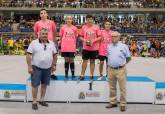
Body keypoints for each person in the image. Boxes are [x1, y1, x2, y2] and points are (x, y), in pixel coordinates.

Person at [26, 28, 57, 110]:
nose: (44, 35)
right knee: (35, 85)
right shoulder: (34, 43)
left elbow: (55, 55)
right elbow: (28, 55)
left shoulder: (51, 43)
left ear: (48, 35)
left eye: (46, 34)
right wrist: (29, 66)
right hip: (36, 68)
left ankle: (42, 100)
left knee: (44, 85)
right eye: (43, 34)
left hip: (48, 68)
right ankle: (34, 101)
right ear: (39, 34)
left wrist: (54, 65)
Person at [106, 31, 131, 112]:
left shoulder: (124, 46)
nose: (113, 38)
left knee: (122, 88)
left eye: (115, 36)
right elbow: (108, 57)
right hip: (110, 69)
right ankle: (113, 102)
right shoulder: (109, 46)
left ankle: (123, 104)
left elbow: (128, 58)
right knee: (112, 87)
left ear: (119, 37)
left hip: (121, 69)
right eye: (112, 36)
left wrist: (122, 64)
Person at [34, 8, 57, 79]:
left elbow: (54, 32)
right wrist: (36, 42)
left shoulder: (51, 22)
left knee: (52, 58)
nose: (43, 14)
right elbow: (35, 33)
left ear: (47, 14)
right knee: (41, 58)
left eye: (44, 13)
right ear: (40, 15)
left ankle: (52, 73)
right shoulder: (37, 23)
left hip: (50, 43)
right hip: (40, 43)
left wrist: (54, 41)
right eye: (41, 13)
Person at [79, 15, 101, 81]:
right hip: (86, 48)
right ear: (86, 20)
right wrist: (85, 40)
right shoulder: (84, 27)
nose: (89, 20)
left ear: (93, 20)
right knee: (84, 61)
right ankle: (82, 75)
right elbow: (80, 36)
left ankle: (91, 75)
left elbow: (100, 37)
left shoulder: (96, 27)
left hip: (94, 48)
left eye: (91, 19)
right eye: (88, 19)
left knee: (92, 61)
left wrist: (93, 41)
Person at [59, 16, 78, 80]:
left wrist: (75, 47)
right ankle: (66, 74)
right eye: (68, 19)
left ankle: (73, 74)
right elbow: (61, 37)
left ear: (72, 20)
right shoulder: (63, 28)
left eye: (70, 19)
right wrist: (60, 46)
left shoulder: (75, 28)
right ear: (66, 20)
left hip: (72, 47)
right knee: (66, 60)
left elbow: (76, 37)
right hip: (64, 47)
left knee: (72, 60)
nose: (69, 20)